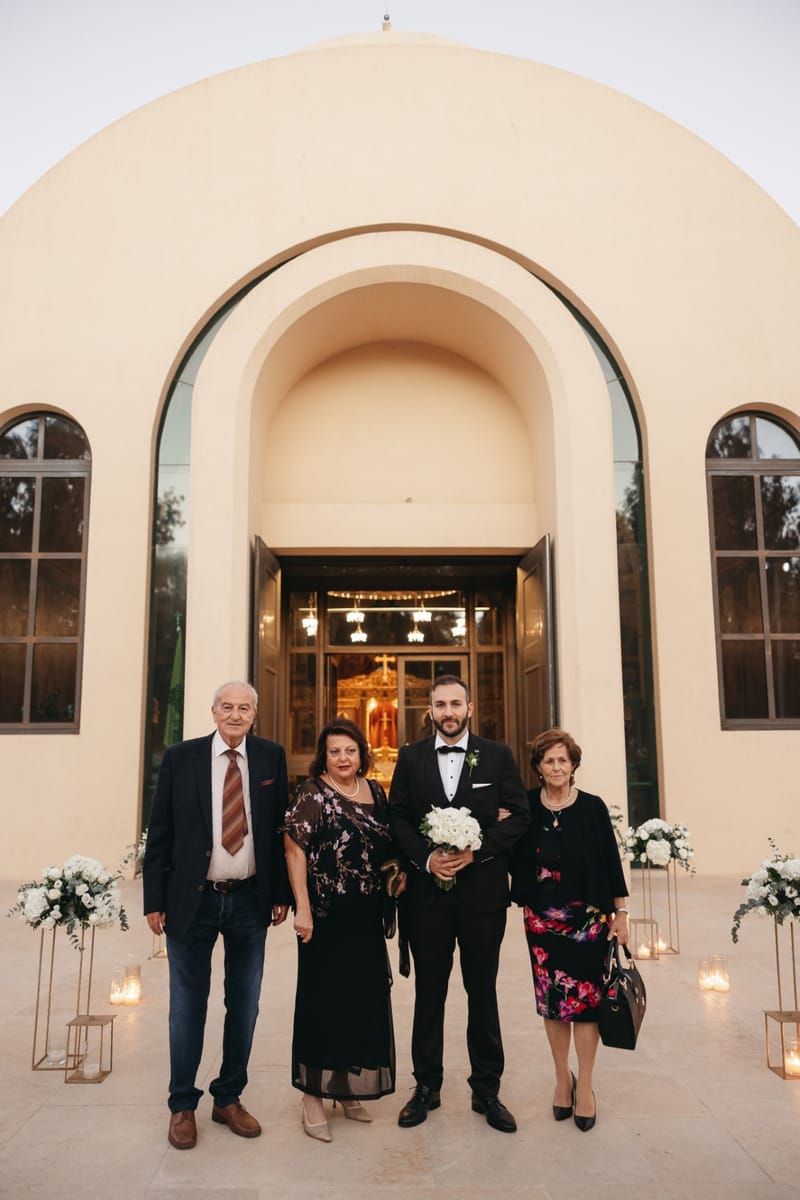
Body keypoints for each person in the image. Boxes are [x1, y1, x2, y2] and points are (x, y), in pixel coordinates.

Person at [143, 680, 290, 1150]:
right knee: (187, 1004)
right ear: (212, 712)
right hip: (193, 899)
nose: (234, 714)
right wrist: (154, 899)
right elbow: (159, 830)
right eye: (226, 707)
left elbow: (277, 830)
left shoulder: (270, 757)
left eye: (243, 708)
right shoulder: (181, 757)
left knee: (244, 1003)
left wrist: (280, 892)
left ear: (254, 714)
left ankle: (228, 1097)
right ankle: (182, 1104)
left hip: (249, 900)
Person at [388, 675, 530, 1133]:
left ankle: (486, 1088)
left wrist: (480, 849)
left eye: (456, 704)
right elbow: (397, 817)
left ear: (470, 707)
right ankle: (425, 1085)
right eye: (439, 705)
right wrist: (426, 859)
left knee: (482, 991)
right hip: (427, 897)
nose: (448, 712)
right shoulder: (410, 757)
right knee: (429, 993)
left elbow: (520, 814)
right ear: (429, 711)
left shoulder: (497, 755)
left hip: (482, 895)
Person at [283, 717, 404, 1142]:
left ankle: (343, 1084)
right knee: (322, 1001)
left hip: (366, 914)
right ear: (324, 755)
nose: (342, 758)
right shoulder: (312, 793)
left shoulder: (375, 791)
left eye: (349, 750)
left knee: (359, 999)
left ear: (361, 753)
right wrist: (302, 908)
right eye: (334, 751)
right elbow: (294, 850)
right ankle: (312, 1094)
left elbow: (388, 847)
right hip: (325, 915)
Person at [510, 727, 629, 1133]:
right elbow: (508, 851)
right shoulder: (525, 806)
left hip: (589, 921)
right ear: (538, 768)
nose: (557, 767)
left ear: (573, 764)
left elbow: (611, 862)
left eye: (563, 760)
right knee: (553, 1003)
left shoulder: (593, 808)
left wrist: (622, 914)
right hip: (541, 922)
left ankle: (586, 1086)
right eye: (549, 761)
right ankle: (563, 1078)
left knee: (587, 1005)